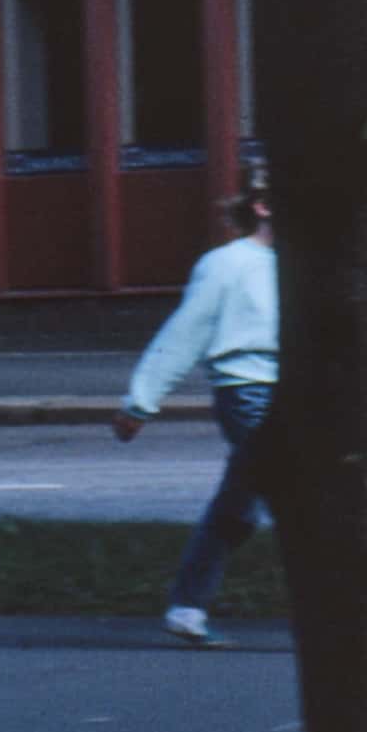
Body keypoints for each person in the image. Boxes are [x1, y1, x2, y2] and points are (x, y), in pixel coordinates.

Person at [112, 189, 279, 646]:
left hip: (299, 393)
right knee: (299, 497)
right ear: (262, 206)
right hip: (248, 391)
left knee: (239, 505)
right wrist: (141, 401)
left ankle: (187, 607)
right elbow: (184, 333)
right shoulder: (227, 264)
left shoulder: (310, 262)